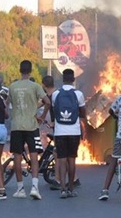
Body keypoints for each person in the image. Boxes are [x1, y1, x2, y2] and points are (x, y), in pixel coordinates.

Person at [7, 60, 51, 200]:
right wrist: (42, 117)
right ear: (30, 71)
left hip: (16, 126)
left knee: (17, 157)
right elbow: (48, 102)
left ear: (20, 70)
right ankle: (34, 187)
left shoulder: (12, 87)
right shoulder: (35, 86)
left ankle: (20, 189)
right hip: (32, 126)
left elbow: (7, 104)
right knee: (34, 155)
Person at [49, 69, 85, 199]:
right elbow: (83, 113)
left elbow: (54, 110)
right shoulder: (78, 94)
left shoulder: (55, 94)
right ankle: (71, 188)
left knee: (62, 160)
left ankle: (62, 189)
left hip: (60, 132)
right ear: (73, 79)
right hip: (74, 131)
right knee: (72, 160)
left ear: (63, 79)